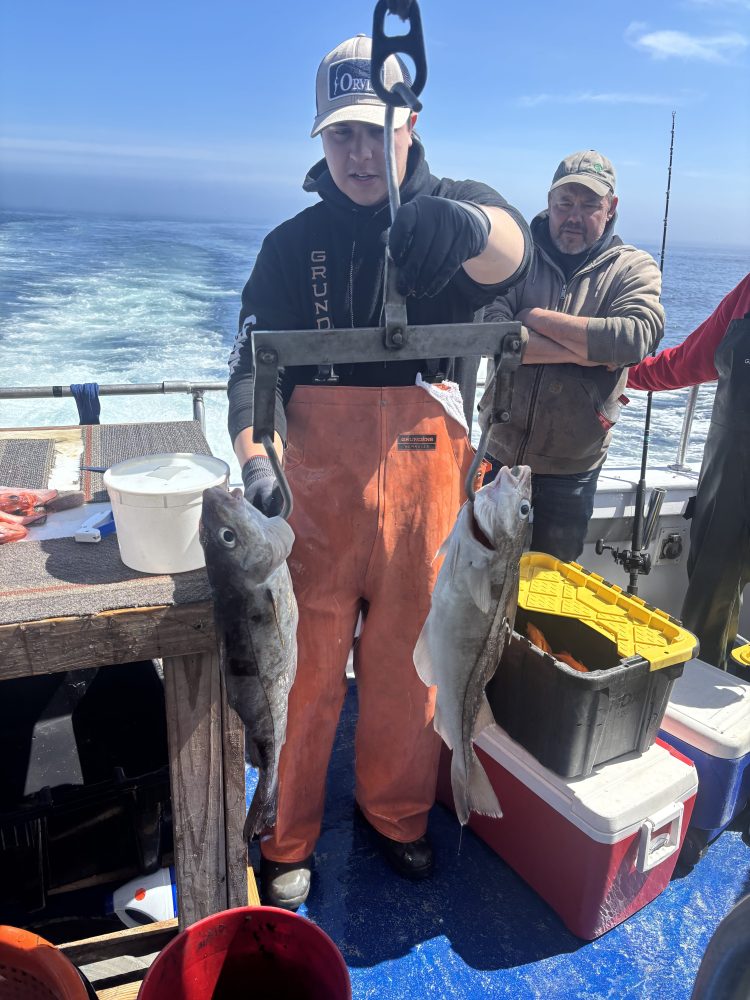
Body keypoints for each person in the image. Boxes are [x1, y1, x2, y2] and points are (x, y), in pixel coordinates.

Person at [226, 33, 531, 910]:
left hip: (429, 490)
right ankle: (283, 833)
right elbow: (251, 365)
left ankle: (396, 812)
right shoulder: (290, 247)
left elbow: (511, 254)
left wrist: (469, 226)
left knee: (409, 664)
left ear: (410, 125)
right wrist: (256, 460)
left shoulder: (455, 215)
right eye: (341, 136)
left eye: (375, 131)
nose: (360, 153)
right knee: (308, 667)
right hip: (316, 494)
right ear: (321, 143)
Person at [478, 150, 665, 562]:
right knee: (480, 580)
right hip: (498, 458)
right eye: (565, 204)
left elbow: (634, 338)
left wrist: (534, 317)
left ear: (611, 208)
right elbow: (491, 333)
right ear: (549, 203)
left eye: (589, 205)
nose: (574, 216)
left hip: (571, 473)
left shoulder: (632, 268)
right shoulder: (515, 258)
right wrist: (589, 351)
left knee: (549, 594)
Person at [627, 273, 750, 670]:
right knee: (711, 589)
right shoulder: (747, 292)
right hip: (730, 478)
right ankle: (703, 686)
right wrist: (622, 374)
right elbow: (691, 359)